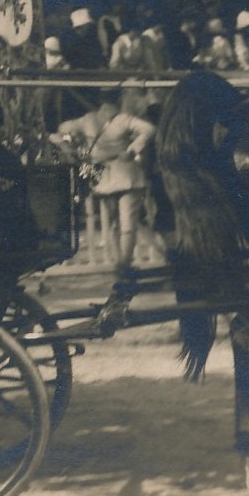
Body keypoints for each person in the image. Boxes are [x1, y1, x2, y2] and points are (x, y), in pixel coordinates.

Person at [55, 87, 158, 325]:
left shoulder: (88, 120)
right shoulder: (122, 119)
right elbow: (150, 130)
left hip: (104, 177)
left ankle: (117, 264)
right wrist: (133, 149)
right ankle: (124, 264)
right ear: (117, 99)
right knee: (127, 226)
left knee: (111, 224)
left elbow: (61, 131)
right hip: (128, 174)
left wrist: (78, 151)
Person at [62, 6, 108, 70]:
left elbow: (98, 56)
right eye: (88, 25)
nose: (89, 27)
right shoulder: (70, 41)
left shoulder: (92, 39)